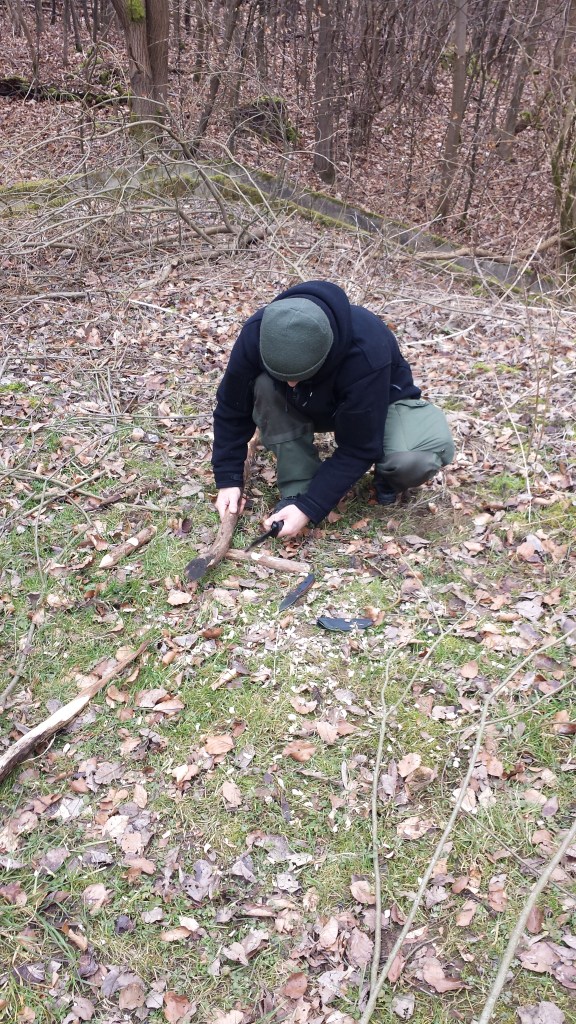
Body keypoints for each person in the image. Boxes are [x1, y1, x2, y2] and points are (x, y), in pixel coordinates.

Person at [211, 280, 454, 539]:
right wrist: (228, 479)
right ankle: (298, 486)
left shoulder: (366, 350)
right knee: (263, 385)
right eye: (284, 377)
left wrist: (311, 507)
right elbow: (232, 408)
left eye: (299, 375)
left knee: (413, 460)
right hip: (310, 402)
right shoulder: (260, 332)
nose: (290, 384)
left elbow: (359, 447)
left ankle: (387, 477)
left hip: (380, 404)